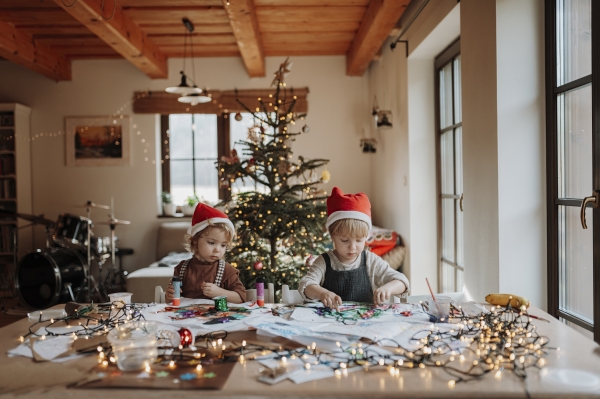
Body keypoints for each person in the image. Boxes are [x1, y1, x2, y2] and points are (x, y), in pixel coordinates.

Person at [298, 187, 409, 309]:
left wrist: (388, 288)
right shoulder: (324, 262)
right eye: (345, 240)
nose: (352, 247)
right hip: (331, 324)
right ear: (332, 236)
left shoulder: (370, 261)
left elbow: (402, 281)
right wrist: (322, 293)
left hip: (364, 323)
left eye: (359, 240)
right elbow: (306, 284)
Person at [165, 203, 246, 304]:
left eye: (223, 245)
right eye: (211, 243)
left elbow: (241, 298)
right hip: (186, 317)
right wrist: (169, 295)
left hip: (217, 318)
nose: (217, 250)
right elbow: (169, 301)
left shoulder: (226, 270)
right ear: (195, 240)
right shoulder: (182, 268)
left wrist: (219, 292)